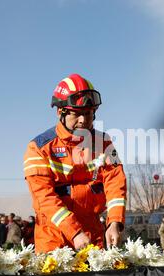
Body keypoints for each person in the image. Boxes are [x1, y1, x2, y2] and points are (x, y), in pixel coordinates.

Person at [24, 74, 127, 252]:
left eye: (88, 114)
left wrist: (115, 222)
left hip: (93, 235)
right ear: (60, 112)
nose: (83, 120)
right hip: (53, 238)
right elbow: (44, 198)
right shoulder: (39, 148)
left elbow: (116, 181)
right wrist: (74, 232)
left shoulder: (104, 142)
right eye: (77, 114)